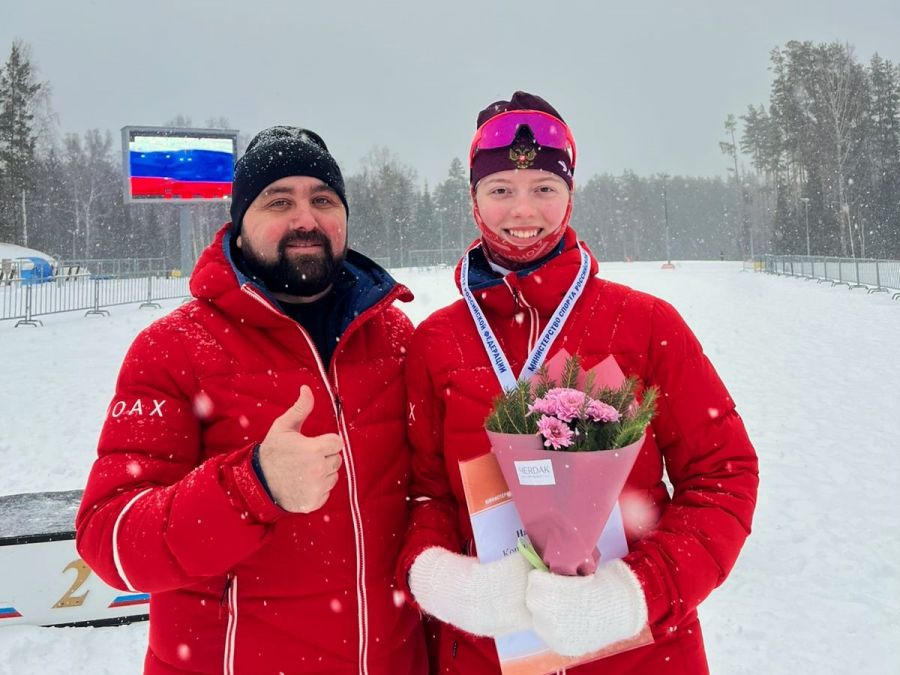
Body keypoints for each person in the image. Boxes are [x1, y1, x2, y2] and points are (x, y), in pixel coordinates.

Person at [396, 92, 759, 673]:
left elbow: (723, 474)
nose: (523, 211)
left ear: (570, 195)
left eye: (544, 187)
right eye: (500, 190)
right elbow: (423, 494)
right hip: (486, 656)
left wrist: (635, 592)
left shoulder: (644, 324)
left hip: (639, 653)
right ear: (472, 200)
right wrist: (444, 578)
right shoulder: (438, 343)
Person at [76, 127, 427, 674]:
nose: (305, 219)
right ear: (240, 225)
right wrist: (251, 486)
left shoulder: (398, 338)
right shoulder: (174, 348)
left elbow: (435, 492)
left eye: (323, 200)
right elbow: (111, 541)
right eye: (279, 201)